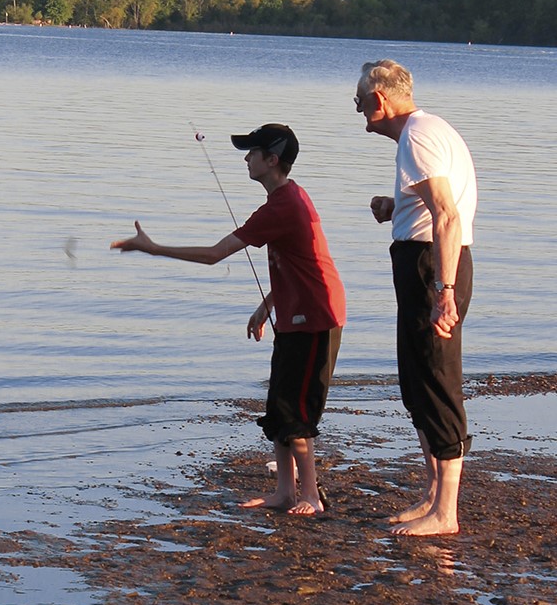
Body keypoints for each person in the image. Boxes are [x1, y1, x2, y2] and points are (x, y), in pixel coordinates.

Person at [111, 123, 346, 516]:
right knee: (278, 405)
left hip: (317, 318)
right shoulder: (284, 200)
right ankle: (285, 492)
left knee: (296, 410)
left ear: (272, 160)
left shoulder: (284, 205)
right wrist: (268, 305)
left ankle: (310, 496)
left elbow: (214, 255)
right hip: (294, 313)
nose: (246, 158)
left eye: (252, 152)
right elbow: (301, 262)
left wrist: (154, 249)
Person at [354, 60, 477, 536]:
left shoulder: (418, 136)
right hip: (424, 264)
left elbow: (447, 215)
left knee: (437, 380)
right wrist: (396, 207)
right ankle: (432, 495)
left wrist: (444, 292)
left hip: (434, 269)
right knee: (416, 383)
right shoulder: (425, 132)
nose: (359, 111)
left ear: (379, 99)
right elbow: (435, 207)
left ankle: (446, 513)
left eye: (359, 102)